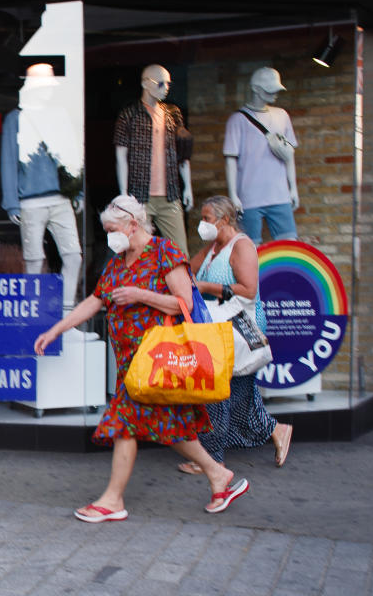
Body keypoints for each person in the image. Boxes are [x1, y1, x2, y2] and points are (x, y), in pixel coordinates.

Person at [34, 194, 249, 521]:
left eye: (113, 229)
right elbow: (95, 301)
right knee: (168, 426)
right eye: (106, 230)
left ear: (133, 225)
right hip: (130, 364)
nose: (110, 236)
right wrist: (56, 329)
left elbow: (185, 304)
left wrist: (140, 295)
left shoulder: (165, 252)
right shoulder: (117, 262)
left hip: (156, 359)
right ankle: (218, 475)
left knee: (125, 424)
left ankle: (112, 500)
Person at [177, 195, 293, 474]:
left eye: (206, 218)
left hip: (239, 328)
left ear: (224, 219)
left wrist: (206, 286)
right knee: (238, 396)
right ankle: (276, 430)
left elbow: (249, 290)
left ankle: (212, 459)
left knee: (213, 391)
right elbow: (186, 272)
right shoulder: (212, 247)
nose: (202, 224)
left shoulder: (241, 246)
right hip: (218, 328)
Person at [1, 63, 83, 309]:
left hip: (60, 198)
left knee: (73, 256)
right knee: (34, 260)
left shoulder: (59, 116)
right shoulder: (16, 119)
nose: (49, 91)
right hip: (30, 201)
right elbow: (8, 160)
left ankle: (67, 315)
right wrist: (12, 202)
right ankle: (32, 314)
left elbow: (70, 156)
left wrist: (77, 190)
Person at [114, 64, 194, 256]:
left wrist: (188, 186)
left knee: (179, 252)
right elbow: (120, 156)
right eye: (160, 83)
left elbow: (182, 152)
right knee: (136, 251)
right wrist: (124, 194)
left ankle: (180, 286)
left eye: (168, 83)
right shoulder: (129, 115)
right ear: (145, 83)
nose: (165, 88)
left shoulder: (172, 114)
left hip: (170, 194)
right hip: (139, 197)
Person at [223, 67, 300, 244]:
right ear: (256, 89)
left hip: (280, 195)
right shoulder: (237, 120)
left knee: (290, 246)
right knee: (250, 249)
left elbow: (289, 155)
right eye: (270, 90)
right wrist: (233, 195)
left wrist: (293, 188)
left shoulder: (282, 115)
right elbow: (230, 160)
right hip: (249, 197)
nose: (275, 94)